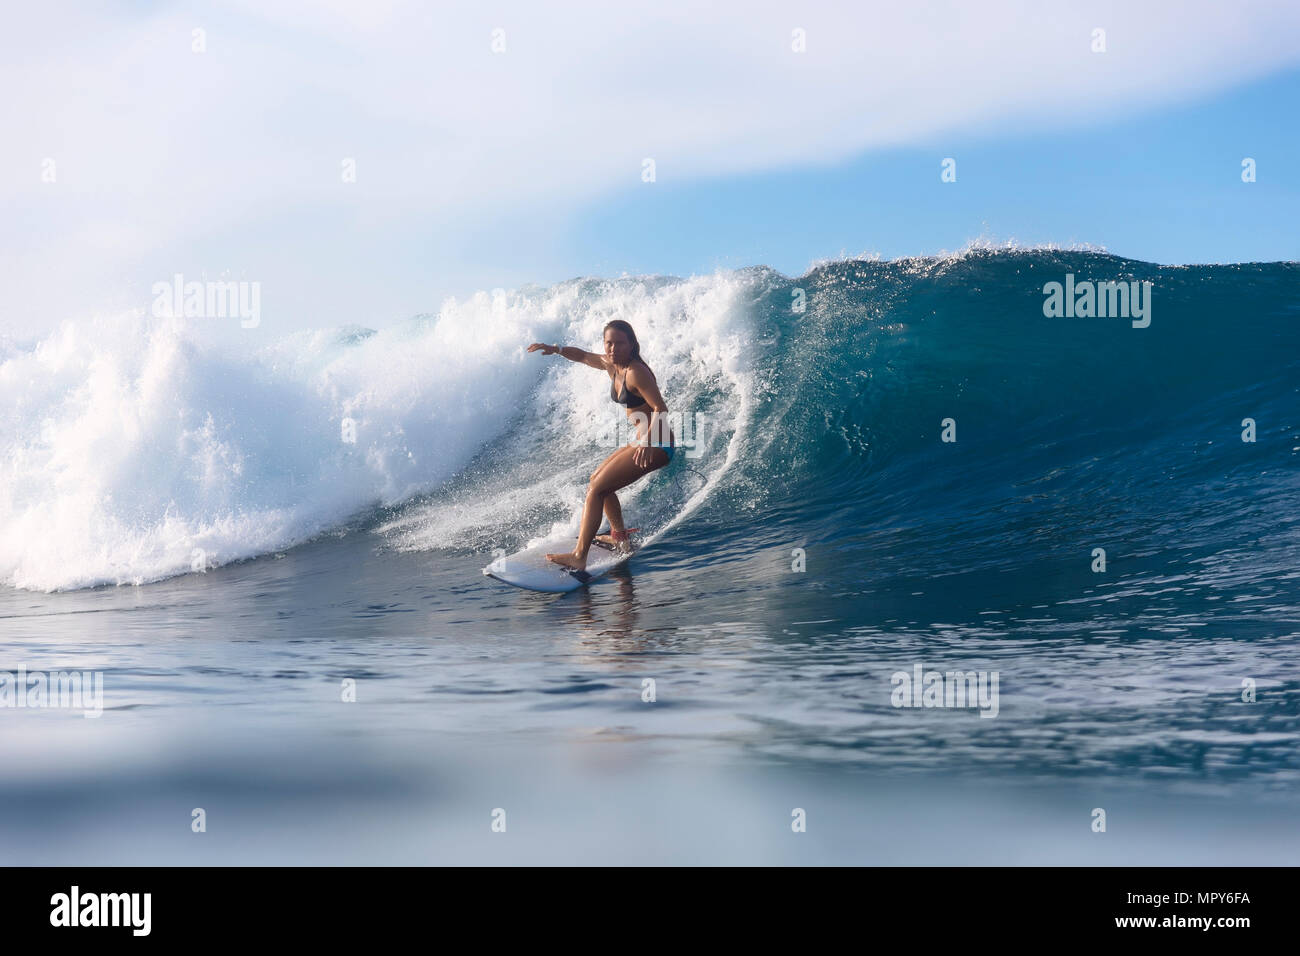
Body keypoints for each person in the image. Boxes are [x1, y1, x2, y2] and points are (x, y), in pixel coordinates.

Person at [527, 320, 675, 571]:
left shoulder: (635, 372)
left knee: (596, 488)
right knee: (597, 481)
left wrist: (649, 443)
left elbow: (661, 408)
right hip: (643, 440)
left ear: (631, 345)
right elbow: (584, 356)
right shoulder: (611, 365)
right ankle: (620, 538)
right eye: (609, 343)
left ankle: (579, 556)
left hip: (658, 444)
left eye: (620, 343)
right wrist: (557, 349)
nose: (613, 348)